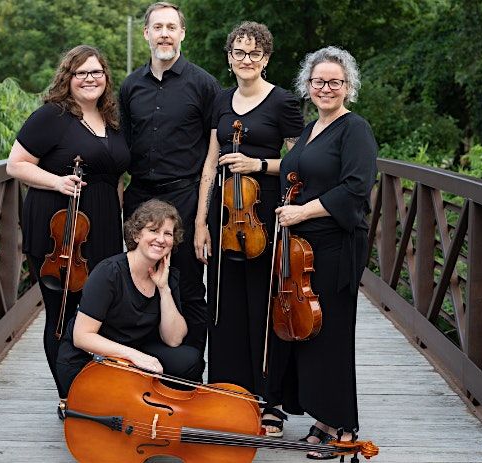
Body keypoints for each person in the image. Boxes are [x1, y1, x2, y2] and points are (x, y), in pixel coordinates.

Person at [193, 21, 303, 438]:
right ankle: (228, 394)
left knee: (264, 307)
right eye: (239, 53)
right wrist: (201, 222)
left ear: (267, 58)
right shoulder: (221, 101)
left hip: (266, 217)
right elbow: (209, 164)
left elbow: (300, 165)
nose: (246, 60)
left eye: (254, 53)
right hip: (224, 219)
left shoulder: (284, 103)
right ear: (229, 58)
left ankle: (271, 402)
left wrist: (257, 165)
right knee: (224, 308)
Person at [6, 45, 129, 397]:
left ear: (106, 77)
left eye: (96, 72)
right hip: (59, 230)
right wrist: (57, 181)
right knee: (62, 313)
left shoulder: (112, 121)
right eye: (81, 73)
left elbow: (115, 176)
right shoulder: (52, 116)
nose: (90, 79)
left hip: (102, 225)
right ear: (68, 78)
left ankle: (92, 390)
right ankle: (68, 396)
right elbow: (15, 164)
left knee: (96, 312)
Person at [275, 46, 377, 459]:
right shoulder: (310, 129)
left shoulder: (355, 129)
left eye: (335, 82)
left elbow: (355, 188)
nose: (326, 88)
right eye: (318, 82)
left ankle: (344, 426)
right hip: (303, 250)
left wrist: (301, 211)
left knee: (332, 336)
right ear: (308, 86)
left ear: (348, 87)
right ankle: (322, 419)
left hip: (335, 246)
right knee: (311, 335)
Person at [119, 2, 220, 366]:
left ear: (181, 34)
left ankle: (191, 371)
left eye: (171, 27)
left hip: (185, 197)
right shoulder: (130, 86)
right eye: (157, 27)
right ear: (145, 33)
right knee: (140, 281)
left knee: (190, 285)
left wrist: (201, 221)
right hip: (140, 197)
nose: (164, 33)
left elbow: (213, 154)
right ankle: (147, 367)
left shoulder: (205, 84)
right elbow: (120, 149)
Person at [55, 199, 203, 398]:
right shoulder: (109, 273)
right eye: (153, 230)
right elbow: (82, 337)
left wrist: (163, 289)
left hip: (133, 353)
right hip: (90, 358)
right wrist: (136, 356)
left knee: (189, 360)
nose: (161, 239)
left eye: (167, 233)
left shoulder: (168, 276)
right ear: (136, 235)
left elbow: (174, 339)